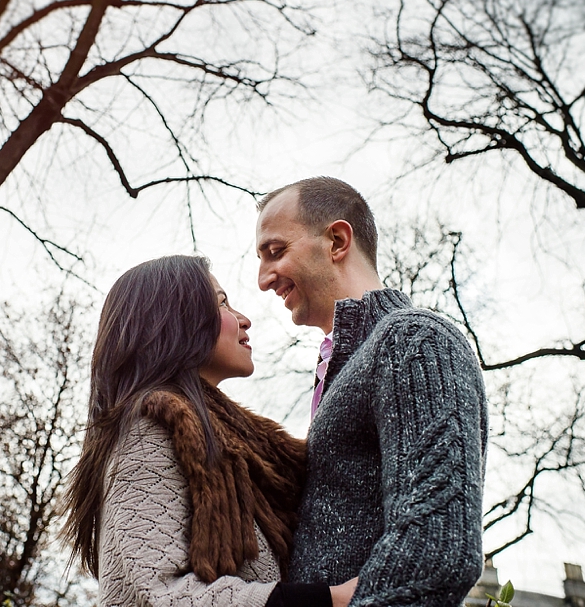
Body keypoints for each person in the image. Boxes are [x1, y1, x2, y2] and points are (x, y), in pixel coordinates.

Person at [62, 255, 357, 607]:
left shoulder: (241, 443)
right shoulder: (147, 431)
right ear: (175, 321)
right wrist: (331, 600)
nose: (244, 319)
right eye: (222, 303)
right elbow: (160, 595)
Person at [256, 177, 488, 606]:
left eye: (276, 251)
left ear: (338, 241)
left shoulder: (414, 341)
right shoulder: (354, 361)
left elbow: (436, 550)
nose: (263, 279)